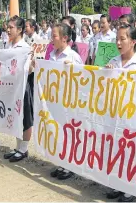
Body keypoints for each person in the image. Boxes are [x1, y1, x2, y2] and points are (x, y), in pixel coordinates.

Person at [105, 24, 136, 202]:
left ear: (133, 42)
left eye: (122, 39)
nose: (118, 42)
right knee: (115, 149)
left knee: (130, 151)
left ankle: (130, 189)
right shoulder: (114, 62)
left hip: (132, 117)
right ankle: (117, 184)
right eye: (117, 39)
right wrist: (106, 74)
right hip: (115, 113)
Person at [46, 23, 83, 180]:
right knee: (58, 132)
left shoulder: (73, 57)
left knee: (69, 133)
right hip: (55, 101)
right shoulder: (52, 55)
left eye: (54, 36)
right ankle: (62, 163)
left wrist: (75, 69)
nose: (51, 39)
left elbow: (84, 79)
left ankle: (70, 166)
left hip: (69, 102)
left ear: (65, 38)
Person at [3, 15, 34, 162]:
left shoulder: (26, 48)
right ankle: (17, 147)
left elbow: (29, 70)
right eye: (7, 27)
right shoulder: (8, 46)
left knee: (25, 118)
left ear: (20, 30)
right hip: (11, 87)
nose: (8, 30)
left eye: (11, 28)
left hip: (23, 87)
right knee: (15, 117)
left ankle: (24, 149)